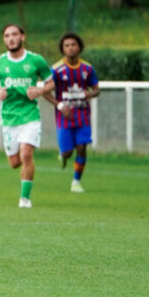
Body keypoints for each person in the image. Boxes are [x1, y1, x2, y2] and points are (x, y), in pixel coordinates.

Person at [0, 23, 52, 209]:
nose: (11, 38)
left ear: (23, 36)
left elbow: (50, 82)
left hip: (30, 115)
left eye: (14, 34)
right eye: (7, 36)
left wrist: (39, 91)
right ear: (4, 39)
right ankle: (24, 178)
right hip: (9, 117)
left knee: (26, 154)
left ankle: (25, 199)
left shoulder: (36, 60)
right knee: (15, 162)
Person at [44, 32, 100, 193]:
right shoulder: (56, 70)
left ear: (79, 47)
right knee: (68, 151)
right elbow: (45, 92)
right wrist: (60, 106)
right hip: (64, 117)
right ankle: (63, 155)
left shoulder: (87, 68)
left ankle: (76, 181)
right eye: (66, 45)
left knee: (82, 147)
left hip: (82, 115)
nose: (70, 48)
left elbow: (96, 89)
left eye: (73, 45)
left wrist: (91, 94)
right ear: (62, 49)